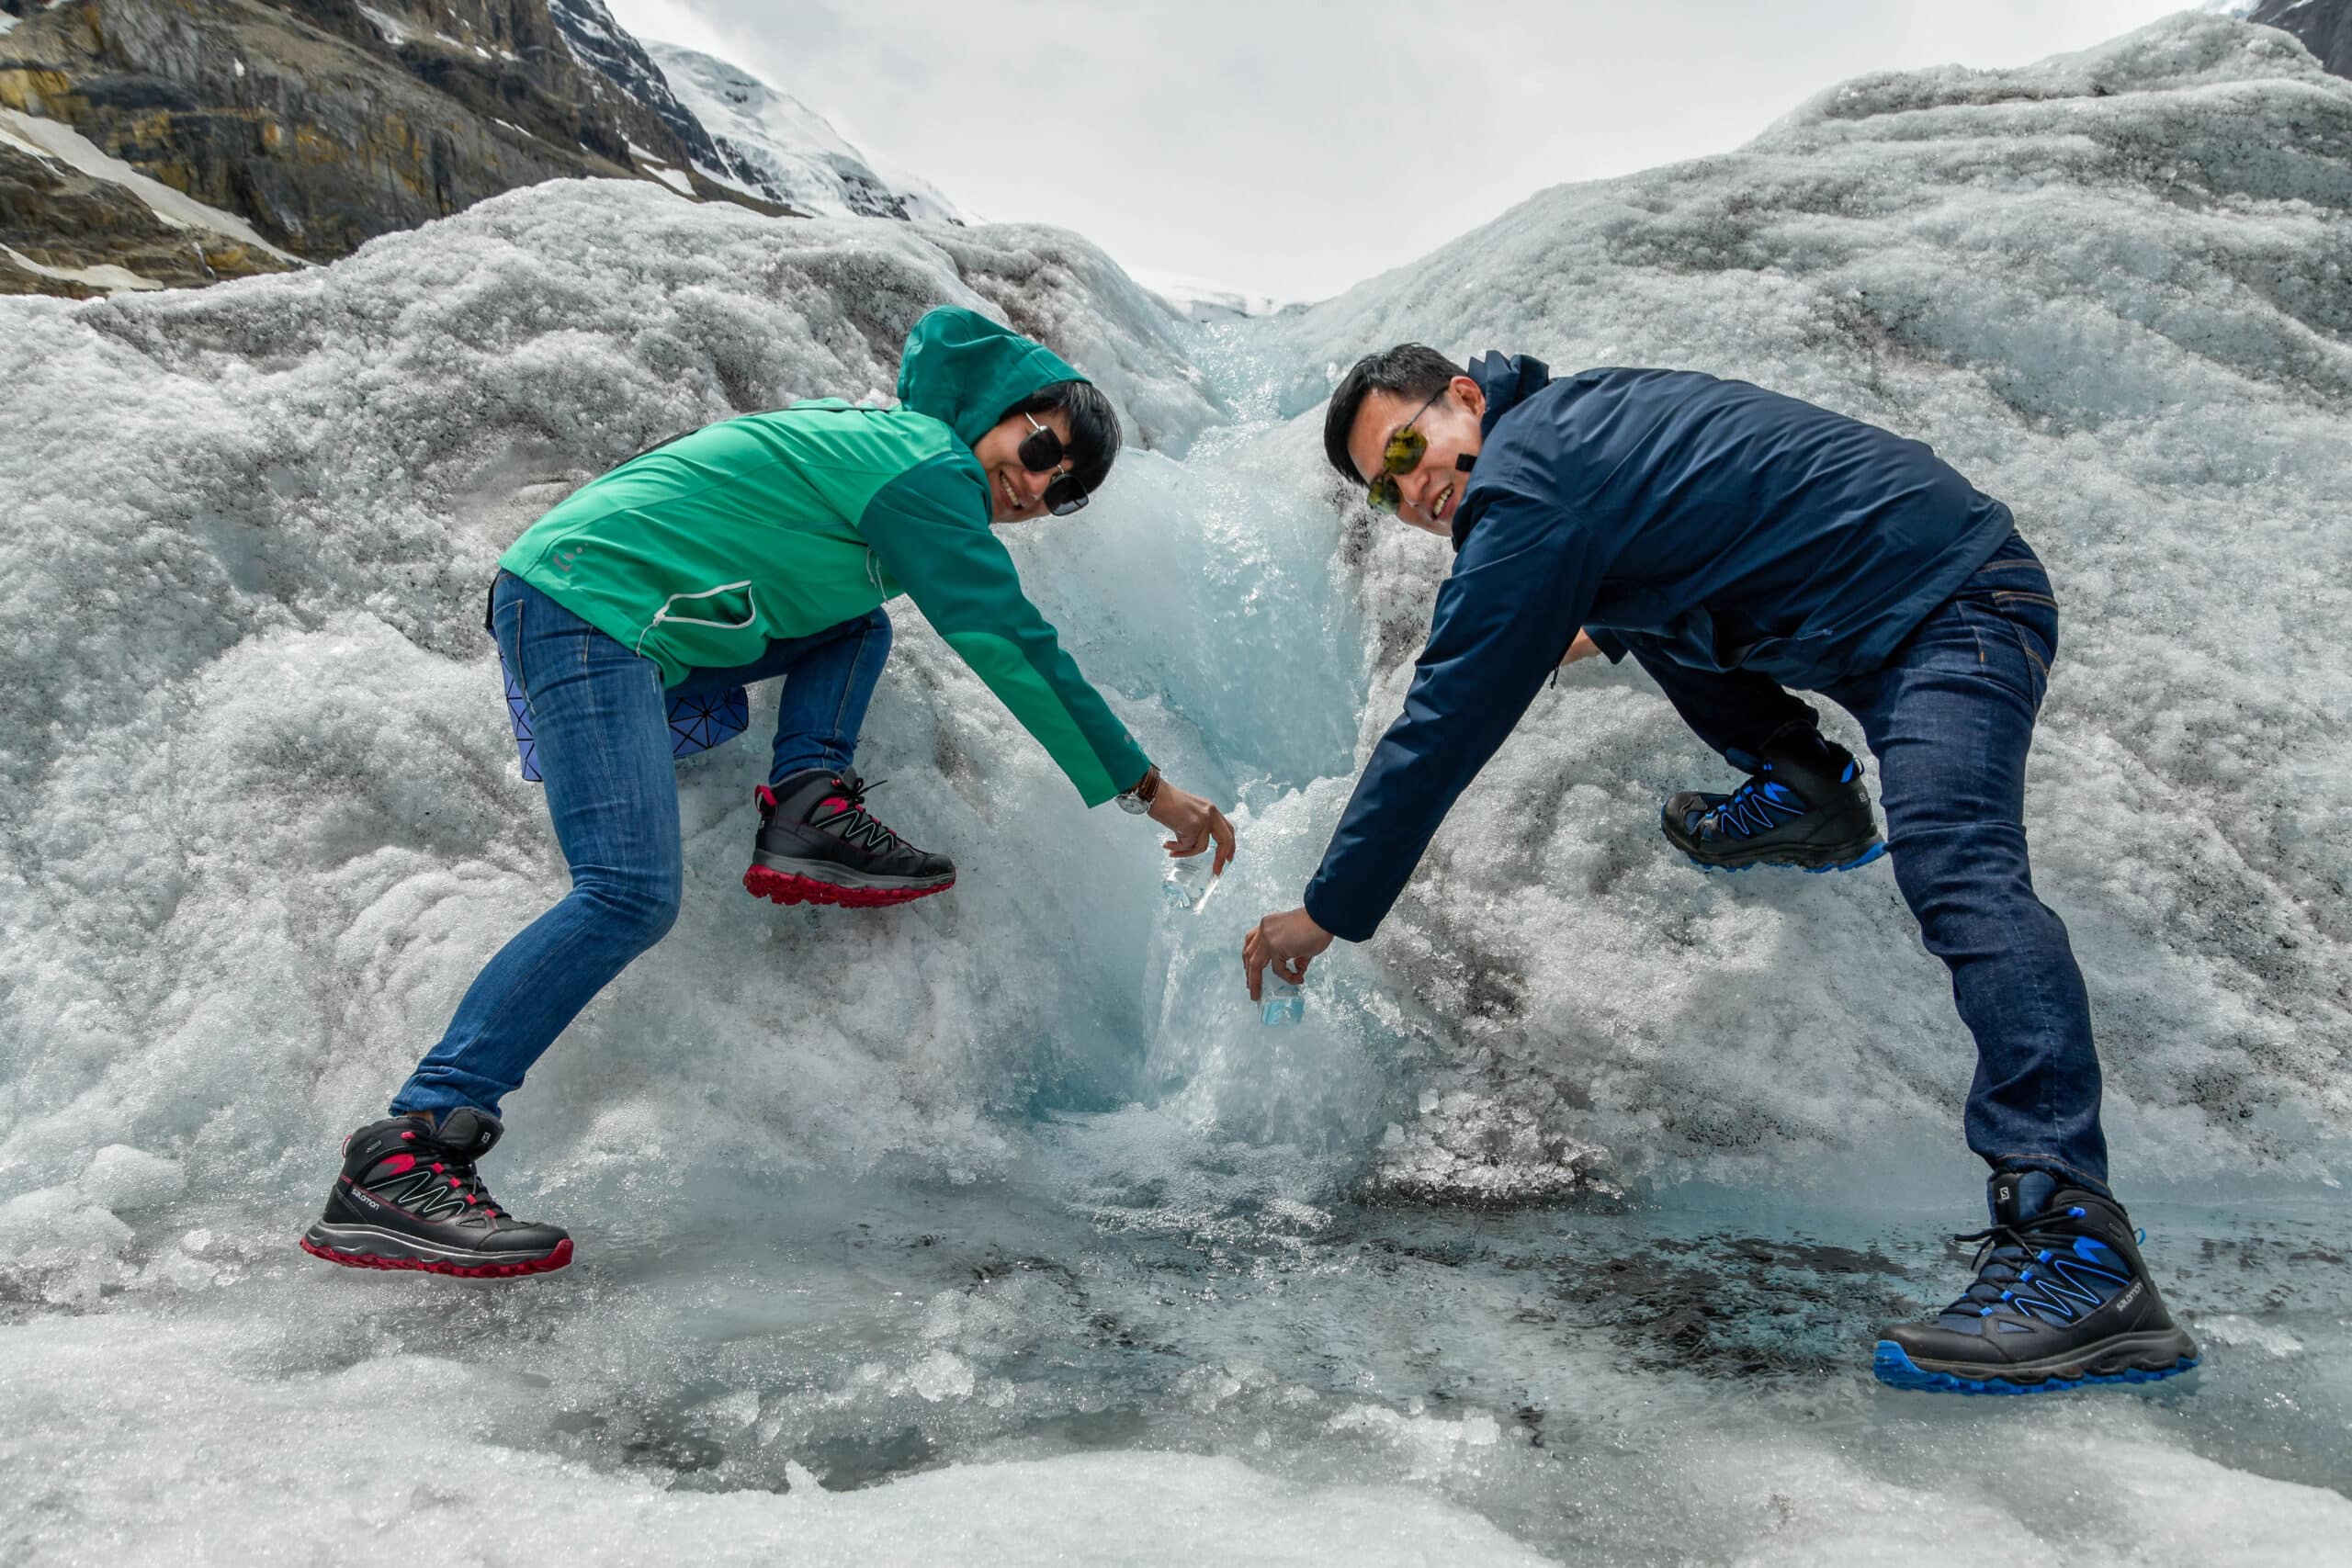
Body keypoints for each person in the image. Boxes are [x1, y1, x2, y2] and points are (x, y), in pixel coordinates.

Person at [1242, 344, 2199, 1394]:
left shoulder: (1528, 474)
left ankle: (2078, 1251)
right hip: (1894, 608)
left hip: (1951, 612)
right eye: (1386, 486)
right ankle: (1810, 790)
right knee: (1623, 600)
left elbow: (1446, 720)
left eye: (1411, 448)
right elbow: (1687, 524)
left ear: (1465, 401)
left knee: (1960, 872)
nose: (1413, 490)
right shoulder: (1572, 440)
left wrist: (1326, 912)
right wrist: (1588, 628)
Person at [302, 307, 1235, 1279]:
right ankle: (408, 1150)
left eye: (1066, 492)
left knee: (857, 623)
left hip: (609, 603)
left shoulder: (892, 459)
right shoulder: (929, 464)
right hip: (591, 609)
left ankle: (805, 811)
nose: (1040, 484)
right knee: (626, 894)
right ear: (1003, 407)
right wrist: (1147, 789)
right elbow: (1006, 638)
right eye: (1044, 447)